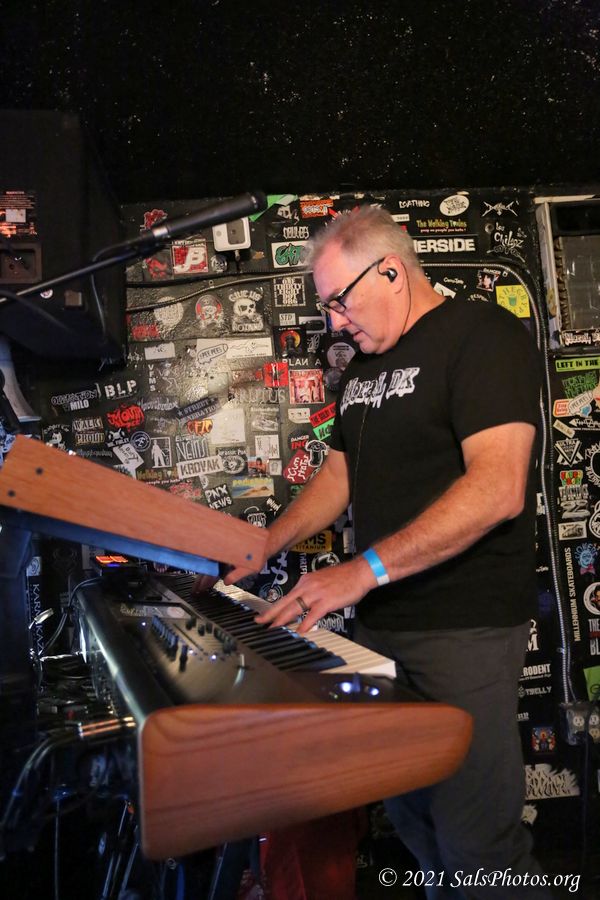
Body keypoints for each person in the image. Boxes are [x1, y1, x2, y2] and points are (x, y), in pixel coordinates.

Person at [205, 205, 550, 898]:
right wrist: (267, 542)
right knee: (415, 824)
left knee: (478, 845)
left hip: (465, 629)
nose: (335, 322)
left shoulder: (482, 334)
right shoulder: (364, 368)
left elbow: (498, 489)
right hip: (383, 630)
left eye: (340, 300)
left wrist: (361, 571)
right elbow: (339, 475)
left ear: (391, 270)